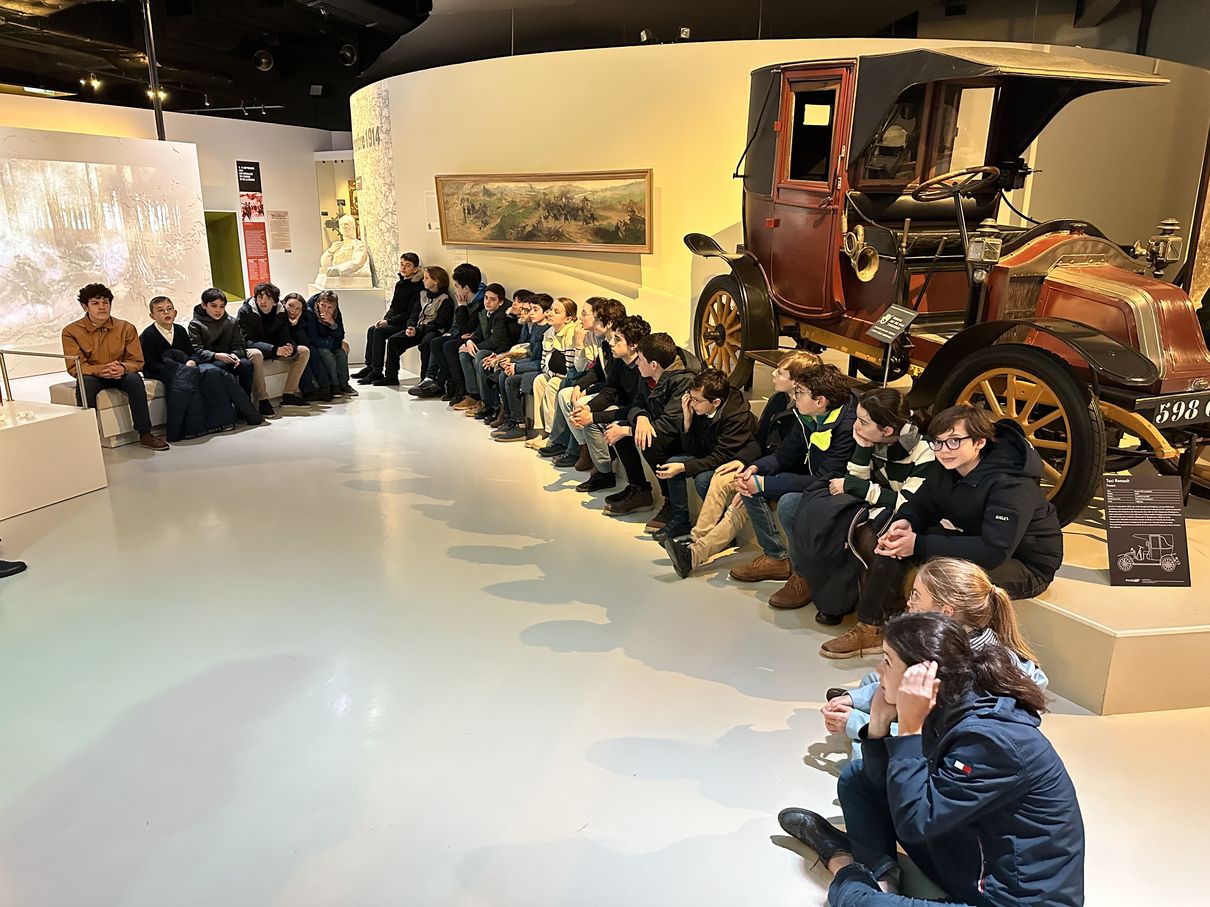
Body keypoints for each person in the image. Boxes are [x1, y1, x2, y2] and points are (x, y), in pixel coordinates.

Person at [778, 611, 1083, 907]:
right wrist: (878, 725)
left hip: (1012, 898)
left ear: (921, 676)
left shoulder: (991, 741)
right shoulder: (950, 698)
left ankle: (842, 862)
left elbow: (914, 823)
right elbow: (892, 787)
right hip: (972, 857)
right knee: (857, 777)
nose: (879, 671)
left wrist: (909, 729)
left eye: (887, 661)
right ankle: (882, 877)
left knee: (857, 902)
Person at [823, 405, 1063, 659]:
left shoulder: (1011, 483)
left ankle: (935, 648)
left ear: (979, 442)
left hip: (1025, 564)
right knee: (896, 542)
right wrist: (906, 522)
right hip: (980, 540)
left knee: (947, 576)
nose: (944, 450)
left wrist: (918, 544)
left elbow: (994, 551)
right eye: (938, 443)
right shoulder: (948, 466)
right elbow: (923, 503)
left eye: (954, 441)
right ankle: (871, 627)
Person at [823, 556, 1049, 756]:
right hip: (937, 723)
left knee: (863, 755)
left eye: (915, 596)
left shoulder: (958, 673)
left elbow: (926, 733)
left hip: (945, 744)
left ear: (945, 612)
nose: (909, 603)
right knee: (874, 682)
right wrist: (855, 699)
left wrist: (859, 724)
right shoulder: (959, 642)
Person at [663, 349, 820, 579]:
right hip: (764, 464)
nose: (773, 374)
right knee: (720, 477)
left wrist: (758, 476)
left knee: (744, 495)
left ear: (797, 381)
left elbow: (792, 459)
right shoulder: (778, 401)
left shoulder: (806, 413)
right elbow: (759, 439)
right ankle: (696, 541)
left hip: (784, 473)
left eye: (780, 372)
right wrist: (743, 462)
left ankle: (697, 552)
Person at [789, 387, 934, 622]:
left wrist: (858, 487)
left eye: (863, 422)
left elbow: (905, 502)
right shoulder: (871, 439)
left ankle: (865, 616)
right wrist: (863, 450)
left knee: (867, 537)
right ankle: (820, 587)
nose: (856, 426)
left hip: (912, 519)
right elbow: (856, 482)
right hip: (875, 508)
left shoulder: (924, 452)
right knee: (807, 511)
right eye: (857, 418)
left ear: (887, 430)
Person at [728, 363, 856, 592]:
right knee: (748, 484)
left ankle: (803, 576)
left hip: (841, 489)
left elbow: (825, 479)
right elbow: (784, 455)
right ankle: (775, 557)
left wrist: (764, 484)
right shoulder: (807, 415)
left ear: (820, 401)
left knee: (788, 503)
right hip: (813, 478)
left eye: (799, 392)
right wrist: (755, 469)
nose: (794, 397)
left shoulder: (846, 426)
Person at [650, 368, 760, 542]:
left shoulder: (736, 417)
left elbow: (720, 457)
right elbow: (693, 450)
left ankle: (722, 530)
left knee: (702, 479)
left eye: (696, 400)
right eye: (690, 397)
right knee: (672, 462)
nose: (692, 403)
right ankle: (680, 520)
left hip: (733, 460)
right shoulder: (700, 409)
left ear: (716, 402)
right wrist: (687, 421)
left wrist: (684, 467)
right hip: (711, 455)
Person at [601, 332, 698, 518]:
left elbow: (672, 422)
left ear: (654, 365)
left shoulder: (684, 380)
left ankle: (671, 503)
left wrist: (629, 430)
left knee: (649, 441)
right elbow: (637, 404)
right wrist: (641, 418)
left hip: (686, 437)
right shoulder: (647, 375)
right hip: (660, 427)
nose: (637, 362)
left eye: (640, 359)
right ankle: (639, 490)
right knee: (619, 428)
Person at [61, 282, 168, 450]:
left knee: (134, 380)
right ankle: (88, 436)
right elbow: (75, 367)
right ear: (85, 307)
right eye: (95, 303)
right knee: (85, 383)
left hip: (120, 372)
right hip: (93, 375)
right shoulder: (71, 331)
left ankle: (145, 434)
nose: (102, 307)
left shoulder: (126, 327)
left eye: (105, 302)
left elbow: (137, 361)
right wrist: (101, 370)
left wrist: (123, 368)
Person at [140, 295, 260, 437]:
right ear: (152, 316)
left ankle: (226, 420)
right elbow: (149, 364)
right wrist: (179, 369)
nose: (166, 312)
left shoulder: (180, 330)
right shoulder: (148, 335)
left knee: (215, 372)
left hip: (187, 366)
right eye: (161, 310)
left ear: (175, 312)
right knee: (188, 380)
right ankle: (191, 429)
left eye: (169, 309)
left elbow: (192, 353)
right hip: (164, 371)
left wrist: (192, 362)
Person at [569, 315, 650, 482]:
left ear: (633, 345)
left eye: (618, 339)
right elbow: (610, 391)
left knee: (614, 426)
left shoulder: (644, 367)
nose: (611, 343)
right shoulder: (619, 360)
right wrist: (588, 409)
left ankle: (638, 487)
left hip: (641, 414)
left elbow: (638, 406)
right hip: (626, 408)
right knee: (586, 415)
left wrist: (593, 416)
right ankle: (603, 471)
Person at [547, 298, 626, 468]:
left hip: (617, 396)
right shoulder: (604, 342)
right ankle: (583, 447)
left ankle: (595, 459)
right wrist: (580, 386)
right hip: (606, 388)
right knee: (566, 392)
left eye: (592, 317)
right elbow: (596, 370)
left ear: (608, 322)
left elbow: (613, 383)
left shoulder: (616, 345)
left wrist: (587, 393)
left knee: (580, 403)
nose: (581, 318)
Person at [189, 289, 271, 415]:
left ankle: (244, 406)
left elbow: (239, 344)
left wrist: (235, 354)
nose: (218, 310)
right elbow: (197, 350)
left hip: (230, 357)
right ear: (204, 305)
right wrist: (216, 355)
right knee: (220, 366)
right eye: (214, 306)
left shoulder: (231, 321)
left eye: (222, 306)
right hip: (210, 360)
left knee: (246, 365)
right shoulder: (195, 324)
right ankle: (226, 410)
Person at [413, 263, 485, 400]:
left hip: (474, 339)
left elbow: (466, 329)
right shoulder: (467, 299)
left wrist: (462, 307)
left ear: (466, 288)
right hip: (461, 335)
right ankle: (440, 381)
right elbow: (459, 326)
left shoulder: (479, 304)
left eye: (457, 286)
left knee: (447, 346)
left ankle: (457, 387)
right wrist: (453, 333)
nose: (455, 290)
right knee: (436, 342)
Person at [236, 282, 311, 408]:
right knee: (256, 354)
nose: (263, 301)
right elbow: (245, 341)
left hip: (273, 349)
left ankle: (288, 395)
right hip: (253, 349)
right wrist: (275, 350)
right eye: (260, 297)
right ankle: (263, 400)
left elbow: (284, 335)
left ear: (275, 301)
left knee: (303, 350)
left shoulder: (280, 312)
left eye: (268, 298)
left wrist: (289, 347)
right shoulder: (246, 312)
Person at [491, 293, 553, 441]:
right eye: (531, 309)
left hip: (541, 368)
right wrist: (513, 364)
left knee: (511, 380)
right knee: (503, 374)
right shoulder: (536, 327)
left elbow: (541, 362)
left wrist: (517, 367)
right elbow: (532, 355)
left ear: (546, 312)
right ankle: (510, 419)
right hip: (534, 364)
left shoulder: (547, 330)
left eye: (535, 310)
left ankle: (520, 425)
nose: (531, 313)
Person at [355, 252, 423, 383]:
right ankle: (370, 367)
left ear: (415, 269)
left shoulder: (417, 287)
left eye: (408, 265)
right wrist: (385, 319)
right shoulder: (399, 284)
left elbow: (409, 313)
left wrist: (388, 322)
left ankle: (377, 371)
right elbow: (393, 306)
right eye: (402, 264)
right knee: (372, 329)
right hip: (394, 320)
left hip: (405, 322)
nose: (403, 268)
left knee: (379, 332)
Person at [385, 266, 454, 388]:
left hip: (433, 330)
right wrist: (411, 326)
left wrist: (418, 330)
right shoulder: (422, 294)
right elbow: (414, 313)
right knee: (394, 340)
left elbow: (439, 323)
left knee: (426, 343)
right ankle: (391, 376)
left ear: (436, 281)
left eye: (426, 278)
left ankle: (425, 379)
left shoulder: (445, 300)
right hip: (418, 328)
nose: (423, 280)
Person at [456, 283, 517, 418]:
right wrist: (470, 341)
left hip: (502, 350)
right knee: (464, 354)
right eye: (486, 298)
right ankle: (474, 395)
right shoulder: (485, 312)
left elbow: (496, 342)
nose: (487, 302)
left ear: (500, 302)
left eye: (492, 299)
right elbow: (479, 333)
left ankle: (488, 403)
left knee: (479, 357)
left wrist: (476, 347)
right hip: (490, 347)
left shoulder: (502, 316)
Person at [526, 297, 578, 449]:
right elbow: (544, 364)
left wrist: (555, 374)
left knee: (553, 383)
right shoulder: (548, 333)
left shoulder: (571, 334)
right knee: (539, 380)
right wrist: (553, 372)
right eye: (550, 310)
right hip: (555, 374)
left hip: (570, 377)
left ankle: (552, 435)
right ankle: (541, 430)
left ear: (568, 318)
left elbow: (570, 367)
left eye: (556, 311)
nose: (550, 314)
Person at [478, 289, 535, 425]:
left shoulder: (528, 325)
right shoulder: (520, 322)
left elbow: (526, 350)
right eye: (514, 300)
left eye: (519, 302)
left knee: (504, 374)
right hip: (511, 353)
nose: (515, 304)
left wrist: (506, 359)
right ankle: (495, 408)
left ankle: (509, 417)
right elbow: (511, 344)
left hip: (525, 360)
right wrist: (499, 356)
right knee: (485, 361)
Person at [309, 290, 356, 398]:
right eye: (323, 305)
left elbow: (341, 334)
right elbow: (313, 338)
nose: (325, 309)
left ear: (335, 307)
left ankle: (344, 384)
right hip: (316, 344)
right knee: (326, 353)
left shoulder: (335, 313)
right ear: (318, 303)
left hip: (330, 341)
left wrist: (332, 323)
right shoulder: (310, 312)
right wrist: (337, 343)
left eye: (330, 307)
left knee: (341, 353)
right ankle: (334, 385)